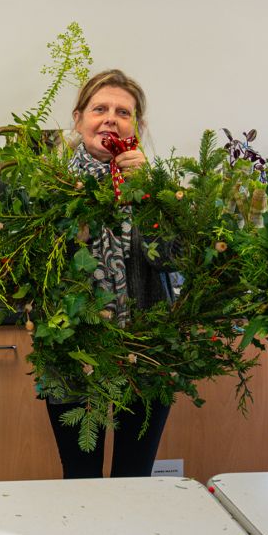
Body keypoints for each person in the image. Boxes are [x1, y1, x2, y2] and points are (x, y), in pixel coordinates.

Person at [46, 69, 177, 478]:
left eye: (123, 112)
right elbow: (34, 268)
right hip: (72, 350)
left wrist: (151, 194)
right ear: (78, 117)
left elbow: (176, 257)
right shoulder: (54, 184)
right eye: (99, 108)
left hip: (146, 349)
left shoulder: (155, 184)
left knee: (135, 476)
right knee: (79, 474)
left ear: (137, 125)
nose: (110, 118)